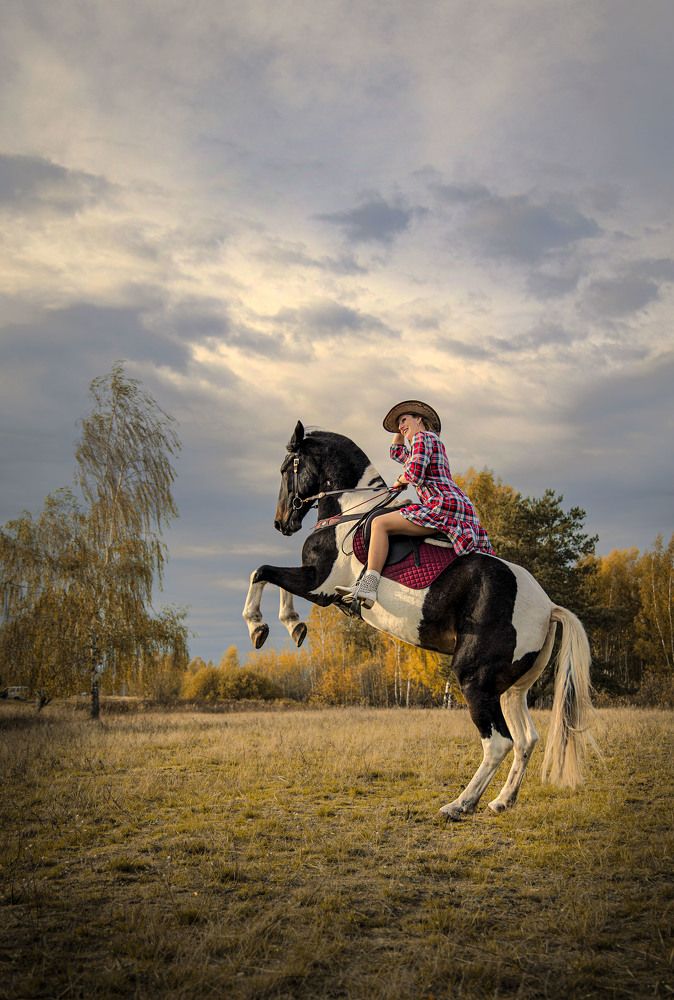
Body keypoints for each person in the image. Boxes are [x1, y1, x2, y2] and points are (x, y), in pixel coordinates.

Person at [337, 399, 495, 608]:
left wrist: (400, 481)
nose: (401, 427)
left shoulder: (423, 437)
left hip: (442, 504)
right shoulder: (424, 443)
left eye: (405, 420)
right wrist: (399, 428)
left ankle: (368, 586)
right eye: (399, 425)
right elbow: (396, 453)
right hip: (455, 505)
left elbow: (414, 473)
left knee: (379, 524)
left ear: (419, 419)